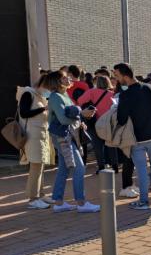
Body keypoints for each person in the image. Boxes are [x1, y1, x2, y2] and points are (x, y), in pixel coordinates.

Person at [114, 63, 151, 210]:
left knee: (141, 169)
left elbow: (121, 120)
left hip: (138, 138)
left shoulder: (125, 95)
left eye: (116, 75)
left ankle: (144, 201)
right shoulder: (150, 88)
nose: (115, 78)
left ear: (125, 75)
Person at [45, 70, 100, 213]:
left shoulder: (63, 95)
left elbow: (69, 117)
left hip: (67, 136)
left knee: (64, 168)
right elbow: (63, 119)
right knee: (79, 167)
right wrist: (81, 114)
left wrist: (81, 121)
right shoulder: (56, 97)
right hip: (63, 137)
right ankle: (81, 203)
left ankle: (58, 202)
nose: (68, 78)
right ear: (57, 82)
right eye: (64, 77)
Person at [18, 74, 54, 209]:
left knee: (40, 166)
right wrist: (43, 109)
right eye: (49, 87)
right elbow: (24, 113)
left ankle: (41, 194)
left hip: (41, 134)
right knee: (36, 166)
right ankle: (33, 199)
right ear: (42, 84)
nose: (50, 90)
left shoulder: (41, 96)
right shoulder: (28, 93)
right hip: (32, 135)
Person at [77, 75, 116, 173]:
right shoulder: (112, 94)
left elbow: (80, 101)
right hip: (109, 122)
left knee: (98, 146)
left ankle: (101, 167)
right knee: (111, 145)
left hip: (94, 122)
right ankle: (114, 166)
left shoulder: (91, 92)